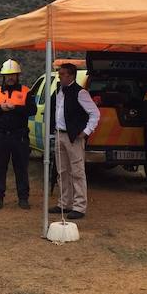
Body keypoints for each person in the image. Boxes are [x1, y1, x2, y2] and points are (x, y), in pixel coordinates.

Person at [49, 63, 100, 219]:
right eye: (59, 73)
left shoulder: (80, 93)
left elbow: (95, 113)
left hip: (73, 137)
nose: (59, 76)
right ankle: (64, 203)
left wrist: (85, 132)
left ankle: (79, 206)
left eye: (62, 73)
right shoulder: (58, 91)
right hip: (59, 135)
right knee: (62, 171)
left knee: (77, 172)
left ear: (71, 75)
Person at [0, 59, 36, 210]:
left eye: (13, 74)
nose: (10, 77)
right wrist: (1, 108)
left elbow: (32, 110)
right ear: (4, 76)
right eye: (8, 75)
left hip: (19, 136)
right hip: (1, 135)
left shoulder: (26, 91)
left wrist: (15, 108)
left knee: (21, 167)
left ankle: (23, 198)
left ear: (18, 75)